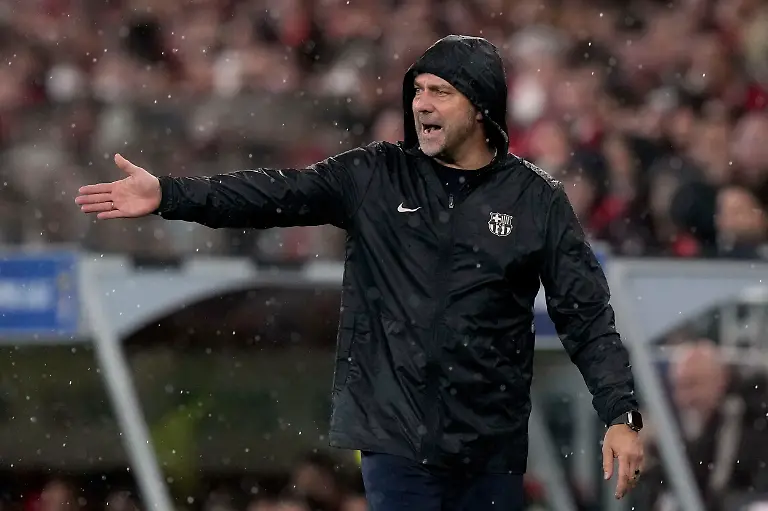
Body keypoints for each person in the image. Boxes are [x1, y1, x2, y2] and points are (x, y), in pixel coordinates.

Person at [76, 35, 644, 510]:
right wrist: (169, 194)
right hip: (395, 437)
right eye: (418, 90)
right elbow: (273, 194)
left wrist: (618, 412)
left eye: (440, 93)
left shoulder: (535, 200)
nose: (421, 103)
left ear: (481, 107)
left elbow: (586, 315)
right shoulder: (375, 176)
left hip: (490, 447)